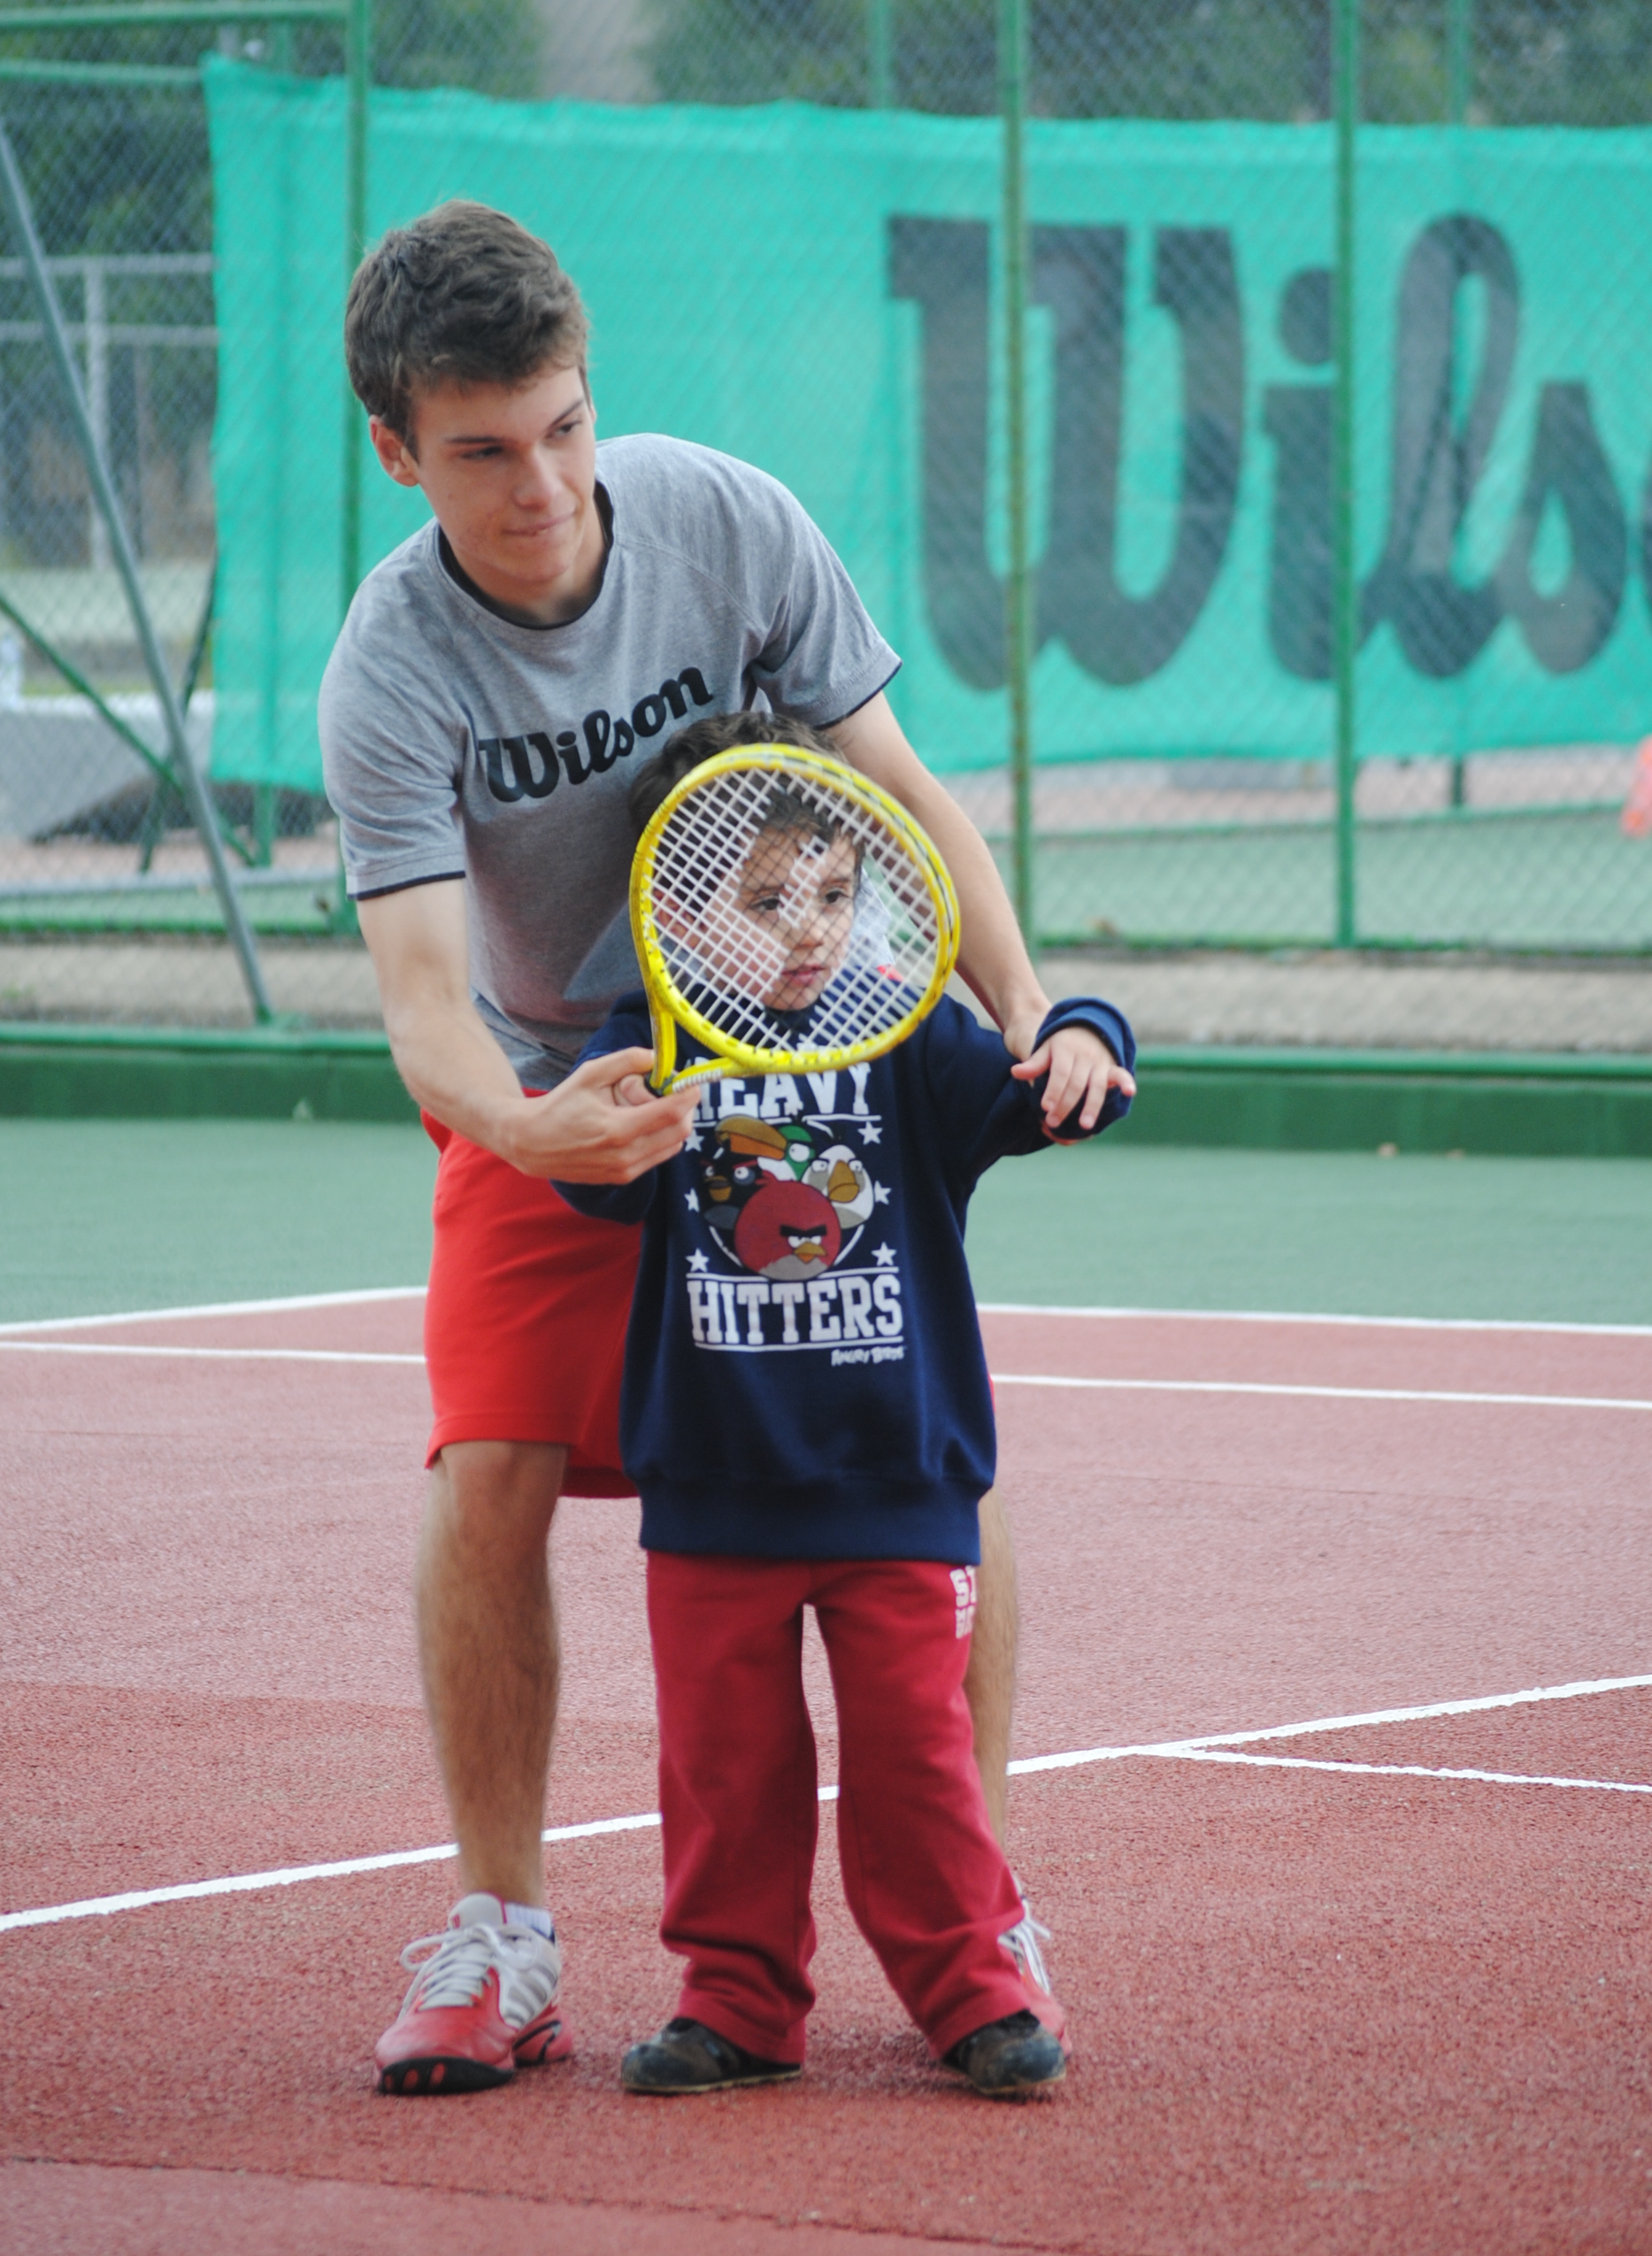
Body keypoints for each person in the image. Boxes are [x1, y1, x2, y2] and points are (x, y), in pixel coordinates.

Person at [318, 200, 1128, 2095]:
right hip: (563, 1081)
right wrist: (534, 1124)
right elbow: (425, 999)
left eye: (565, 426)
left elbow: (904, 800)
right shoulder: (392, 664)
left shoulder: (731, 524)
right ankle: (506, 1937)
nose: (543, 487)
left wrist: (1032, 1011)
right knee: (489, 1465)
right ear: (399, 451)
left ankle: (981, 1907)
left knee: (928, 1450)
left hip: (809, 1043)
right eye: (484, 452)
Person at [551, 710, 1136, 2098]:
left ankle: (973, 1993)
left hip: (899, 1488)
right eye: (765, 901)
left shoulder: (913, 1037)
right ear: (672, 916)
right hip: (713, 1491)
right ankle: (738, 2005)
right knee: (725, 1774)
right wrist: (589, 1121)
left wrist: (1081, 1039)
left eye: (831, 890)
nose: (809, 927)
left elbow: (1059, 1091)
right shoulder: (650, 1053)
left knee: (919, 1760)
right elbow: (591, 1183)